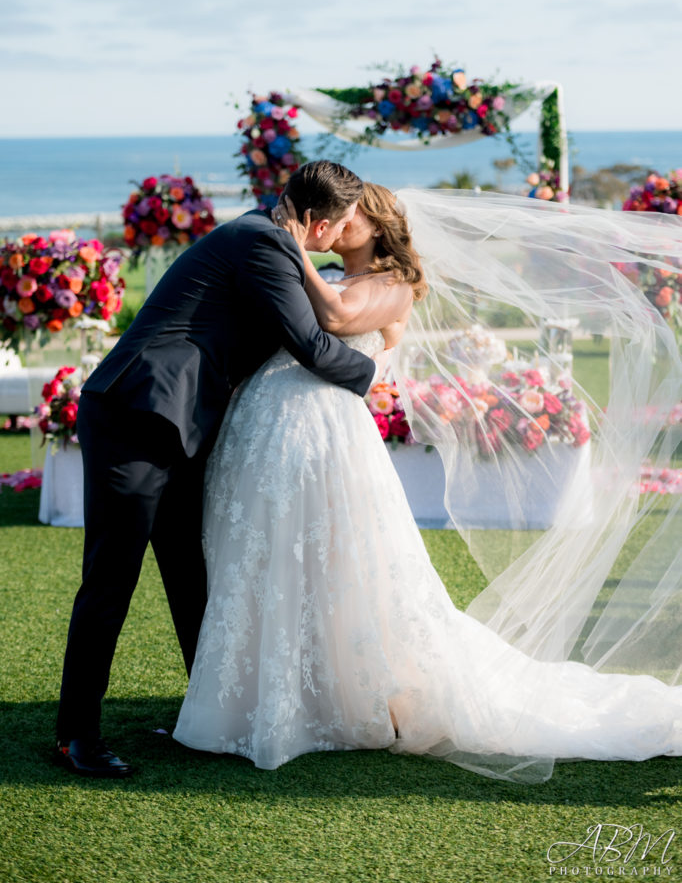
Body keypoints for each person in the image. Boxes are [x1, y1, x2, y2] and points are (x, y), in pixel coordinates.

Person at [173, 182, 682, 782]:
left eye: (355, 211)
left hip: (323, 429)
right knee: (279, 556)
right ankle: (282, 692)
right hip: (269, 425)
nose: (342, 219)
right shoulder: (330, 266)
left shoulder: (392, 286)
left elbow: (335, 317)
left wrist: (294, 250)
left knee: (337, 561)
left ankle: (343, 699)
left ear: (379, 222)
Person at [55, 160, 376, 778]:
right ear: (315, 221)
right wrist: (376, 374)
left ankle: (209, 717)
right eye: (338, 228)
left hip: (177, 423)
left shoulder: (264, 236)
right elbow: (311, 343)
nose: (340, 238)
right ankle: (76, 735)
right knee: (111, 579)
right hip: (136, 414)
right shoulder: (261, 242)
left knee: (191, 571)